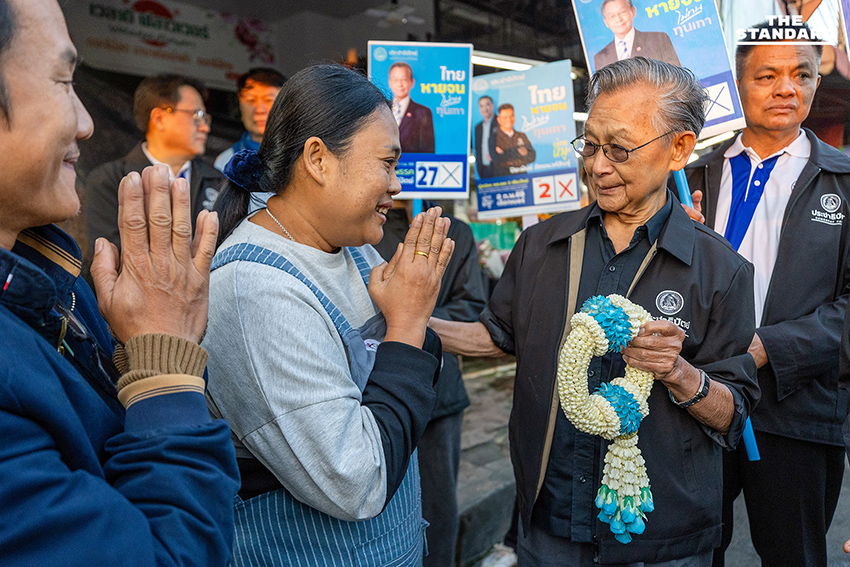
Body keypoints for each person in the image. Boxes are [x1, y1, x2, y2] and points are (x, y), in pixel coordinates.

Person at [429, 57, 759, 566]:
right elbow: (498, 336)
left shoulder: (720, 269)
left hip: (660, 535)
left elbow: (733, 412)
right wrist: (411, 319)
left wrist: (677, 371)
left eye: (620, 149)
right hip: (550, 520)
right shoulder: (541, 245)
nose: (598, 166)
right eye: (590, 145)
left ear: (679, 148)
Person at [0, 0, 240, 565]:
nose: (85, 121)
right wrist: (163, 373)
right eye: (63, 81)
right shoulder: (104, 191)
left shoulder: (49, 278)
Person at [203, 63, 455, 566]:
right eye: (386, 163)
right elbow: (355, 481)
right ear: (318, 159)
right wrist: (407, 324)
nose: (397, 185)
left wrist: (416, 320)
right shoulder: (256, 287)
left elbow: (413, 380)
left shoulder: (353, 248)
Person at [683, 20, 850, 567]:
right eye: (767, 75)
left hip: (797, 411)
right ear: (736, 86)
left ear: (815, 86)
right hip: (693, 402)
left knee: (795, 555)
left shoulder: (843, 181)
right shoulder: (692, 178)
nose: (787, 88)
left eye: (801, 74)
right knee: (688, 551)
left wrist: (768, 349)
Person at [374, 200, 487, 567]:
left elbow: (472, 308)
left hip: (439, 396)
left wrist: (411, 313)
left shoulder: (457, 232)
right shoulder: (367, 228)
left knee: (438, 506)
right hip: (374, 389)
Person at [84, 73, 224, 253]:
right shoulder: (109, 182)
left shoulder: (219, 182)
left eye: (206, 118)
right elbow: (109, 257)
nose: (205, 127)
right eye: (197, 115)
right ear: (159, 118)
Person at [214, 67, 286, 171]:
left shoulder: (302, 155)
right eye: (251, 100)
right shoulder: (226, 162)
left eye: (269, 100)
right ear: (239, 105)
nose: (260, 110)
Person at [593, 0, 680, 71]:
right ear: (606, 22)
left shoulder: (658, 39)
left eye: (622, 12)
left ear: (633, 11)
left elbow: (677, 76)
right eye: (612, 16)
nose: (618, 19)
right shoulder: (600, 58)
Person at [388, 61, 435, 153]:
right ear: (390, 82)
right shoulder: (381, 109)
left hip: (412, 165)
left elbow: (428, 149)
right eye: (395, 80)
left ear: (412, 82)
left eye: (404, 79)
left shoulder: (423, 112)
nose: (399, 84)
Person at [492, 103, 536, 177]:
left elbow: (532, 156)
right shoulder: (494, 138)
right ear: (498, 120)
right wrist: (520, 152)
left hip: (522, 178)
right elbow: (497, 160)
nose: (509, 120)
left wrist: (505, 153)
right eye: (505, 117)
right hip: (503, 180)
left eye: (511, 116)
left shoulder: (521, 135)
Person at [474, 95, 498, 178]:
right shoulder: (478, 127)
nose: (485, 109)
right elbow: (477, 149)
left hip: (499, 169)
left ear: (492, 106)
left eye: (487, 105)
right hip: (484, 170)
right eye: (481, 106)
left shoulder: (500, 123)